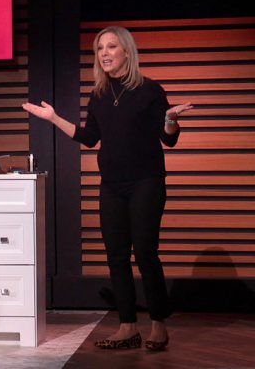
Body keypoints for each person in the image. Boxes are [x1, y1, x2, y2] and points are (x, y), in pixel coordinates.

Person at [23, 26, 192, 351]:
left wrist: (171, 119)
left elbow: (168, 138)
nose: (104, 53)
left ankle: (159, 324)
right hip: (112, 185)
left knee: (145, 253)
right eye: (100, 48)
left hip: (146, 181)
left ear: (126, 51)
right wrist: (53, 118)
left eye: (111, 47)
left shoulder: (150, 90)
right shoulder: (99, 95)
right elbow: (89, 138)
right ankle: (128, 327)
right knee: (116, 256)